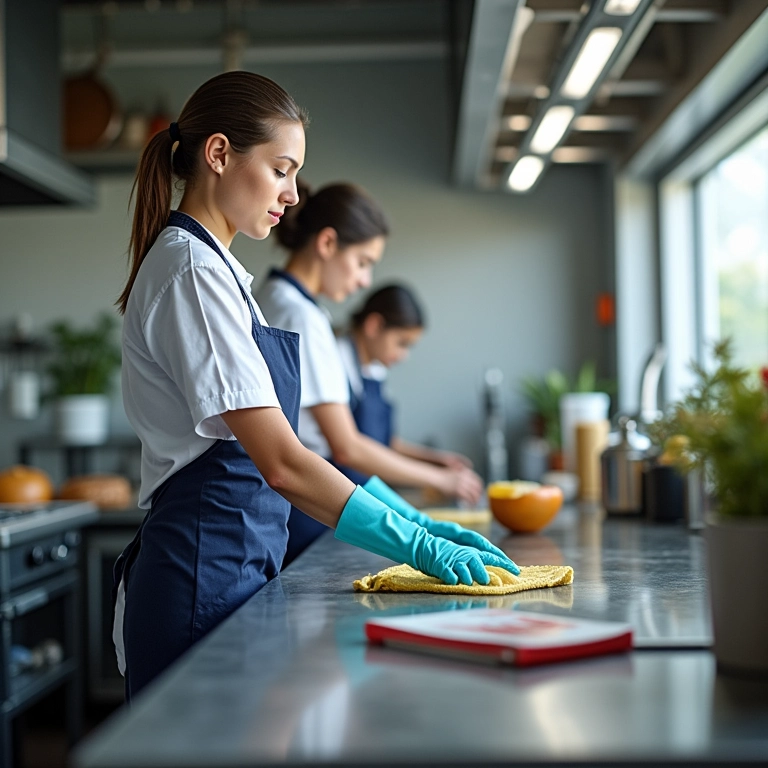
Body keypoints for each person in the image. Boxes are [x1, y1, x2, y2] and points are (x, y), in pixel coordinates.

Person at [112, 71, 519, 700]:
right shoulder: (190, 271)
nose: (293, 194)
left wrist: (421, 527)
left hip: (234, 559)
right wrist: (414, 541)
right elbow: (281, 461)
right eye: (281, 169)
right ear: (219, 155)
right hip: (202, 569)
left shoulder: (216, 271)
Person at [255, 182, 485, 566]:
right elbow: (346, 446)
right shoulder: (301, 317)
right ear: (327, 244)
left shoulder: (278, 300)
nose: (364, 280)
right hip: (307, 509)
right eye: (363, 261)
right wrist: (434, 489)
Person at [336, 283, 475, 486]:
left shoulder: (375, 371)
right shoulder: (336, 361)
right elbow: (348, 449)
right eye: (402, 343)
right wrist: (439, 479)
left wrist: (435, 460)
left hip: (366, 492)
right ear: (374, 326)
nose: (404, 356)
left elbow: (384, 442)